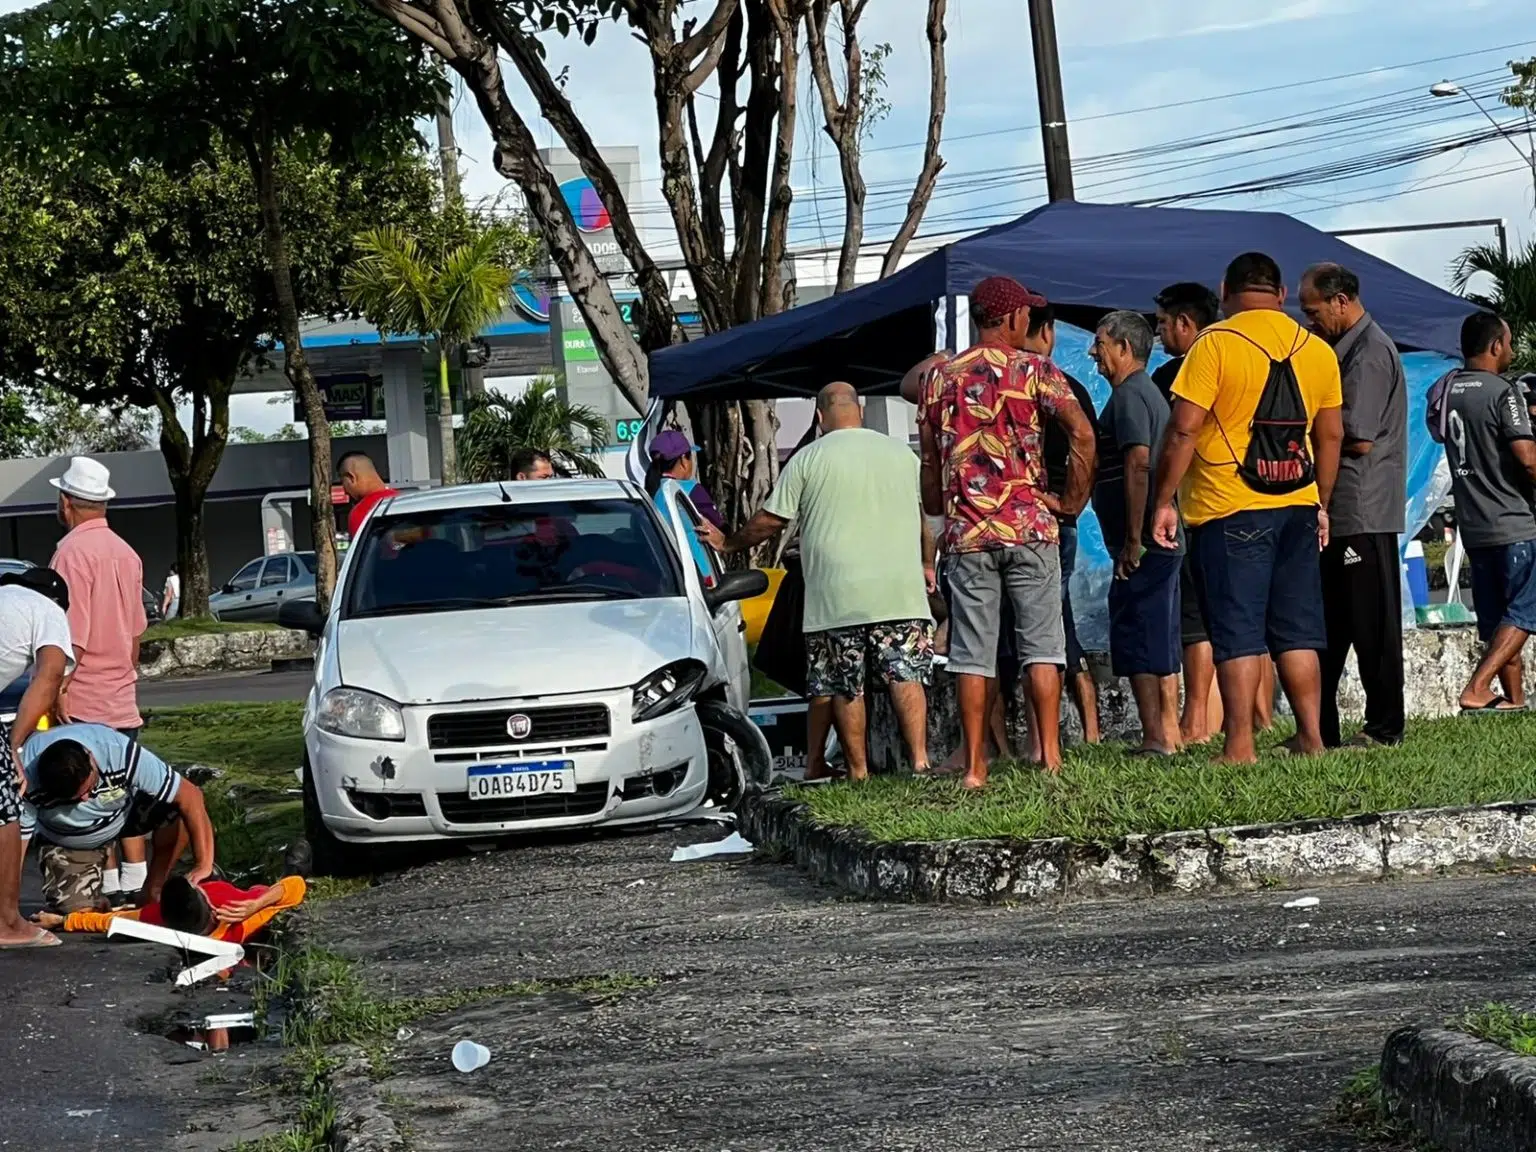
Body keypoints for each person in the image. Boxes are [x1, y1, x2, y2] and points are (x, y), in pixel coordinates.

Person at [1151, 252, 1344, 765]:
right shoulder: (1317, 348)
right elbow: (1330, 435)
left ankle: (1239, 745)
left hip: (1227, 506)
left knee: (1237, 628)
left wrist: (1164, 499)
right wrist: (1320, 502)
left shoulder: (1215, 344)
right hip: (1299, 503)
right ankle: (1312, 736)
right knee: (1298, 627)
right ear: (1281, 295)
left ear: (1224, 290)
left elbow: (1185, 428)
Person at [707, 382, 935, 781]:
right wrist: (927, 563)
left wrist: (729, 542)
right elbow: (926, 520)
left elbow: (772, 520)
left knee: (846, 685)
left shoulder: (808, 459)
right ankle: (920, 762)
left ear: (819, 417)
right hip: (900, 593)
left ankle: (859, 772)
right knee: (906, 675)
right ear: (860, 412)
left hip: (836, 597)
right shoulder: (902, 455)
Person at [919, 276, 1097, 784]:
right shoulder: (1035, 370)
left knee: (972, 653)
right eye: (1026, 315)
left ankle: (975, 766)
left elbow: (930, 461)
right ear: (1015, 317)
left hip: (968, 533)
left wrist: (939, 513)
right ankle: (1051, 758)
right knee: (1042, 646)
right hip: (1029, 525)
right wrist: (1070, 502)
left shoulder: (939, 378)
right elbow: (1081, 432)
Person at [1152, 282, 1274, 744]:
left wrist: (1163, 500)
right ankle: (1260, 715)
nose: (1161, 334)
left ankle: (1197, 718)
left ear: (1186, 323)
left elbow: (1179, 436)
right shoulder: (1255, 358)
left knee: (1198, 617)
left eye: (1164, 324)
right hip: (1265, 497)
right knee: (1252, 618)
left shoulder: (1179, 375)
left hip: (1207, 502)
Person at [1299, 263, 1408, 747]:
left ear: (1341, 300)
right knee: (1331, 625)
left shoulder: (1368, 353)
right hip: (1335, 510)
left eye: (1313, 310)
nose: (1309, 321)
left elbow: (1357, 437)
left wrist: (1301, 440)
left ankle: (1384, 727)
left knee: (1372, 627)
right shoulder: (1337, 350)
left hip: (1362, 507)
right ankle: (1319, 731)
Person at [48, 456, 150, 905]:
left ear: (66, 502)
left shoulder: (70, 553)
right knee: (124, 788)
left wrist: (58, 687)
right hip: (120, 693)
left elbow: (73, 635)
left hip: (84, 695)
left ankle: (105, 887)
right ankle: (136, 881)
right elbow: (135, 635)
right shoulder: (127, 553)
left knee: (89, 795)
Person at [1429, 313, 1536, 713]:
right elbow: (1527, 458)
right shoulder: (1503, 392)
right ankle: (1477, 686)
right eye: (1508, 343)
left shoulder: (1448, 389)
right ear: (1495, 346)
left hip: (1473, 524)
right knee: (1525, 612)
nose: (1510, 351)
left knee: (1499, 623)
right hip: (1513, 521)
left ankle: (1513, 703)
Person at [1091, 311, 1184, 755]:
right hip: (1158, 537)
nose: (1094, 353)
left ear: (1124, 348)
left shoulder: (1130, 395)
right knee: (1159, 632)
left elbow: (1138, 463)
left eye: (1101, 344)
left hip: (1145, 540)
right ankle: (1170, 732)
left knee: (1139, 632)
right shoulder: (1144, 394)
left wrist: (1133, 538)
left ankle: (1157, 736)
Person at [19, 722, 216, 913]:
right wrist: (8, 910)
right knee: (78, 914)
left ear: (91, 759)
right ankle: (93, 897)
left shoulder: (116, 750)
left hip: (123, 813)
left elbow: (191, 796)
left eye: (88, 789)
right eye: (75, 799)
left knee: (176, 804)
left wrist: (203, 864)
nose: (86, 799)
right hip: (69, 839)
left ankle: (153, 887)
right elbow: (14, 845)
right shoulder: (24, 776)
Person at [1019, 303, 1101, 753]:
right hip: (1053, 517)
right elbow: (1089, 444)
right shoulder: (1062, 387)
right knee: (1056, 624)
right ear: (1048, 332)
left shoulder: (994, 381)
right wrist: (1072, 503)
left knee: (1036, 634)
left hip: (1019, 520)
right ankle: (1083, 731)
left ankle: (1043, 742)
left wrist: (1068, 504)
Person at [0, 568, 74, 948]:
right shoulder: (49, 610)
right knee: (7, 808)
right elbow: (49, 675)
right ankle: (7, 923)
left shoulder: (8, 598)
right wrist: (13, 745)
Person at [34, 873, 307, 945]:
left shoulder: (236, 912)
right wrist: (63, 921)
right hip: (206, 893)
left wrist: (255, 905)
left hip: (239, 895)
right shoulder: (160, 915)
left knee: (279, 882)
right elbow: (112, 920)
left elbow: (294, 886)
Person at [645, 430, 724, 529]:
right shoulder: (693, 491)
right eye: (690, 456)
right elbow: (718, 527)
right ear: (683, 460)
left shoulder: (651, 492)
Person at [338, 451, 399, 539]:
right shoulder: (400, 499)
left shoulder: (360, 511)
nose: (345, 491)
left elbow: (365, 551)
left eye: (342, 482)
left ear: (352, 478)